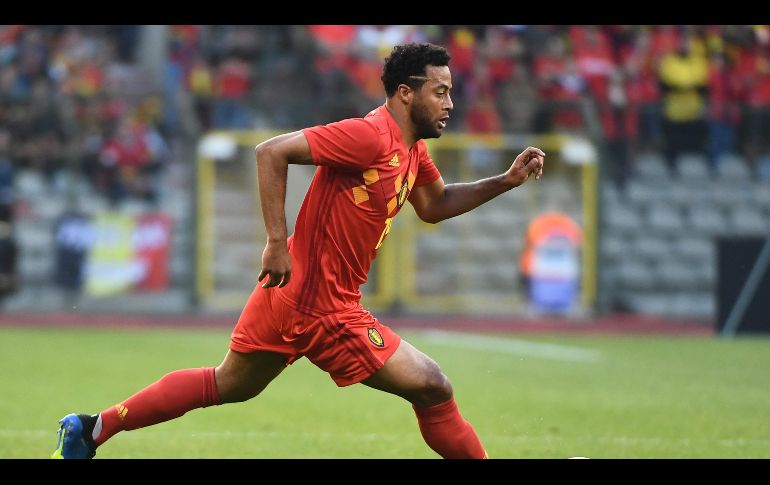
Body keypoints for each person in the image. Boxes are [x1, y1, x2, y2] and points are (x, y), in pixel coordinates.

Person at [52, 42, 545, 459]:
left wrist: (505, 180)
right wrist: (274, 241)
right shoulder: (369, 136)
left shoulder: (411, 150)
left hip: (290, 295)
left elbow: (434, 205)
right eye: (440, 91)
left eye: (450, 92)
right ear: (405, 93)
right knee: (433, 387)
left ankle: (92, 429)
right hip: (322, 306)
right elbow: (271, 151)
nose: (449, 103)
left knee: (227, 384)